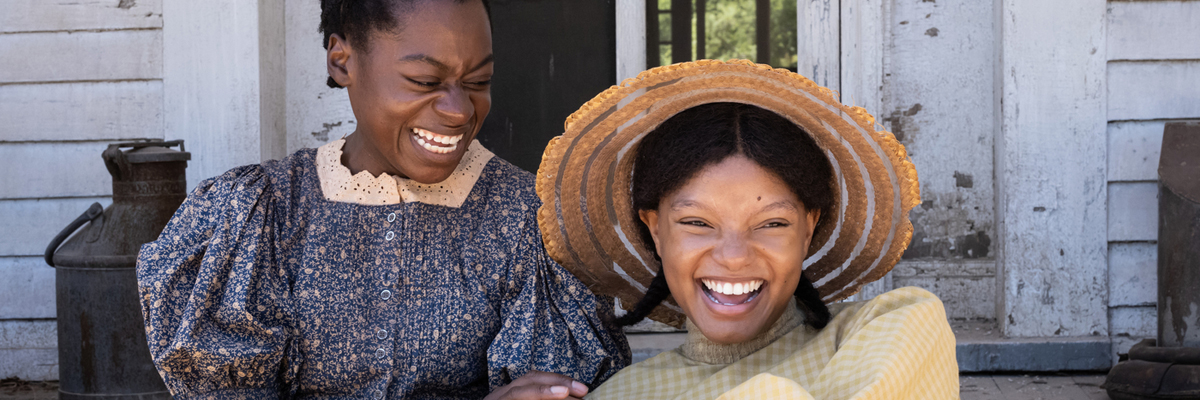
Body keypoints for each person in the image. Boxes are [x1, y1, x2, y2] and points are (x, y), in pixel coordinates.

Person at [135, 1, 628, 398]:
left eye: (477, 82)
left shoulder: (526, 219)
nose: (459, 111)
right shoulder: (265, 212)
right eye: (424, 82)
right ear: (342, 60)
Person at [535, 60, 958, 399]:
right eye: (697, 223)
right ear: (656, 231)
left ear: (808, 229)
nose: (734, 255)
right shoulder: (621, 394)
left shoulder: (892, 328)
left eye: (772, 223)